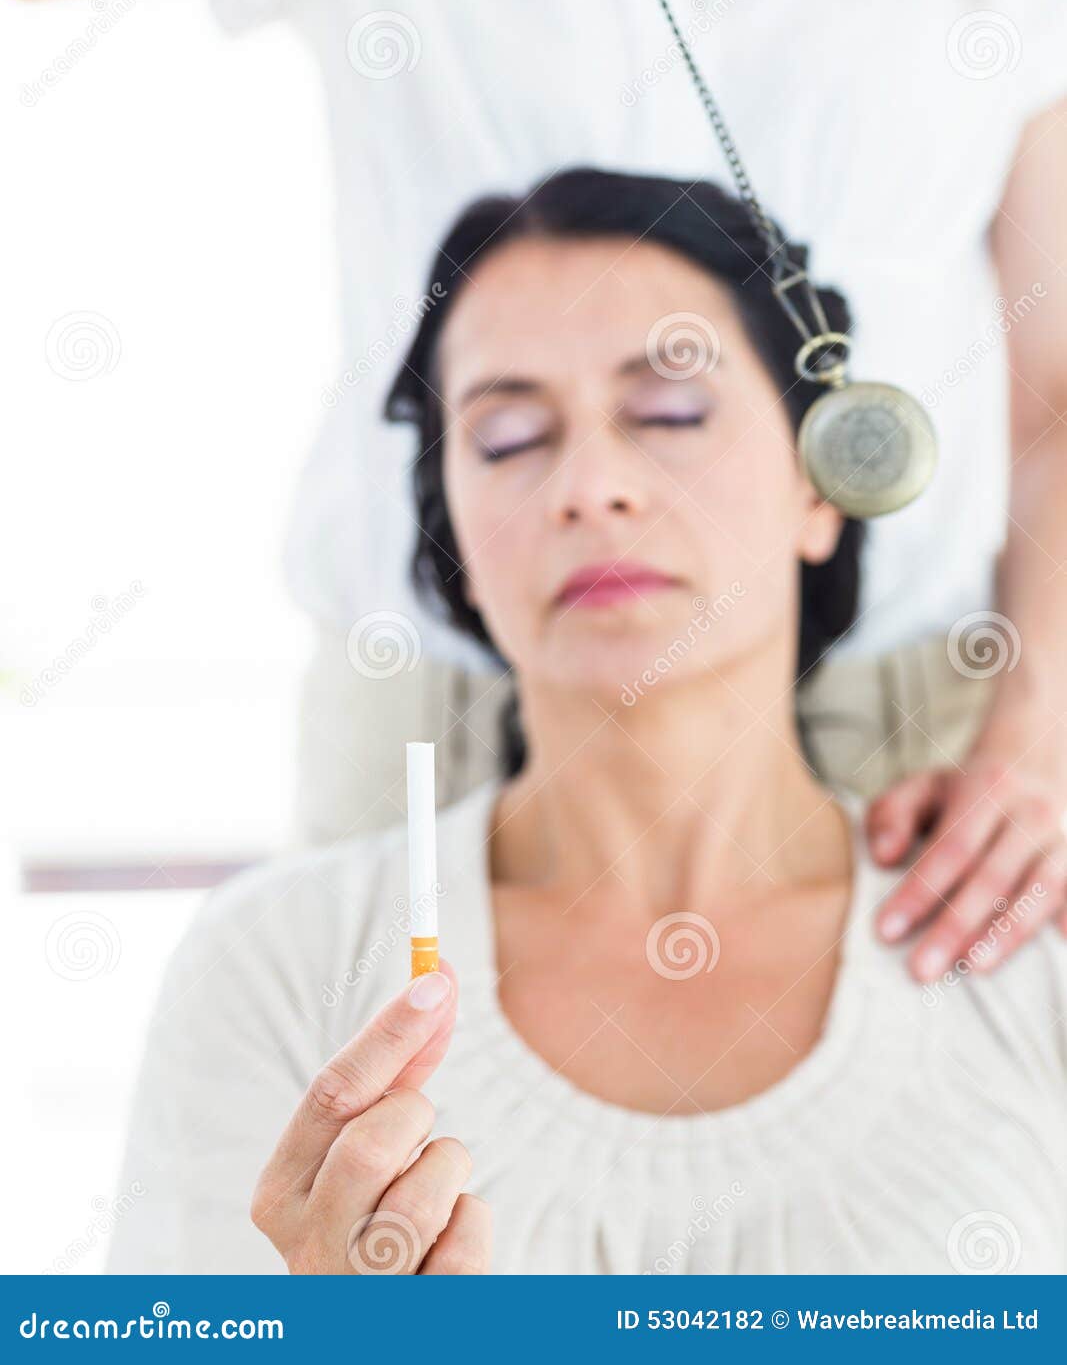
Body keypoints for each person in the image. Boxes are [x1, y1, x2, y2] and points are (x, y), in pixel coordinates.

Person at [5, 0, 1067, 970]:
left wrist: (1033, 734)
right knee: (399, 1156)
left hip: (900, 738)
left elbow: (1050, 394)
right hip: (442, 722)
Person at [106, 170, 1067, 1276]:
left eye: (668, 411)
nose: (590, 483)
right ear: (452, 529)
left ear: (819, 485)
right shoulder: (279, 967)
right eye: (509, 438)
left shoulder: (1019, 948)